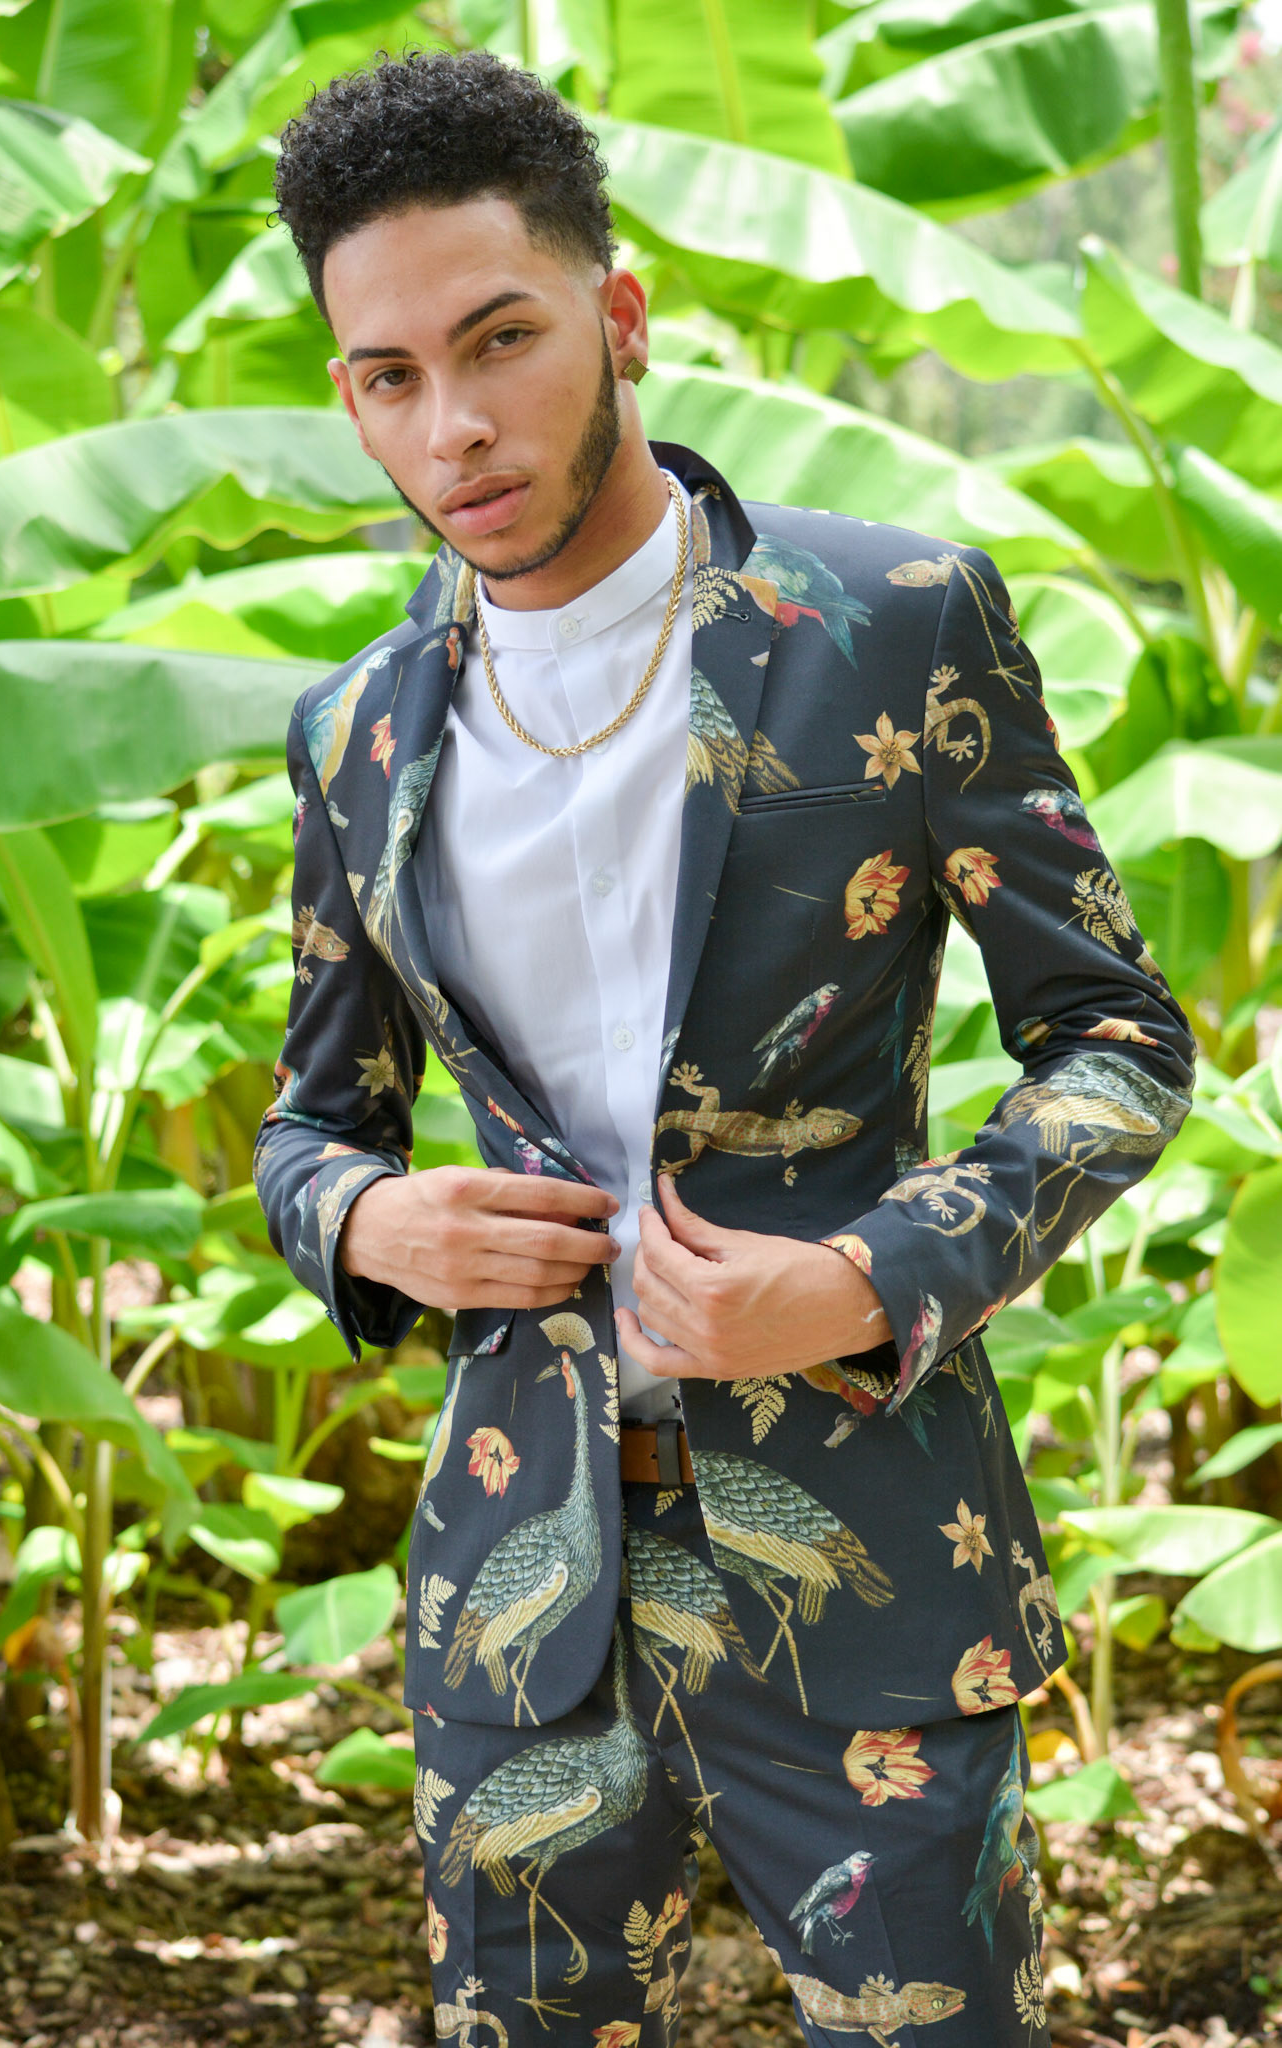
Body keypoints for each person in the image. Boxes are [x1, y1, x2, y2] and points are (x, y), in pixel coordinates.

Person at [258, 49, 1195, 2047]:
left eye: (499, 340)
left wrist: (867, 1272)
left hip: (866, 1559)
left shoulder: (890, 621)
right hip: (519, 1590)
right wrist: (369, 1223)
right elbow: (311, 1123)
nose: (453, 423)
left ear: (615, 315)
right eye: (389, 376)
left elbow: (1114, 1038)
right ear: (349, 393)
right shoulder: (356, 733)